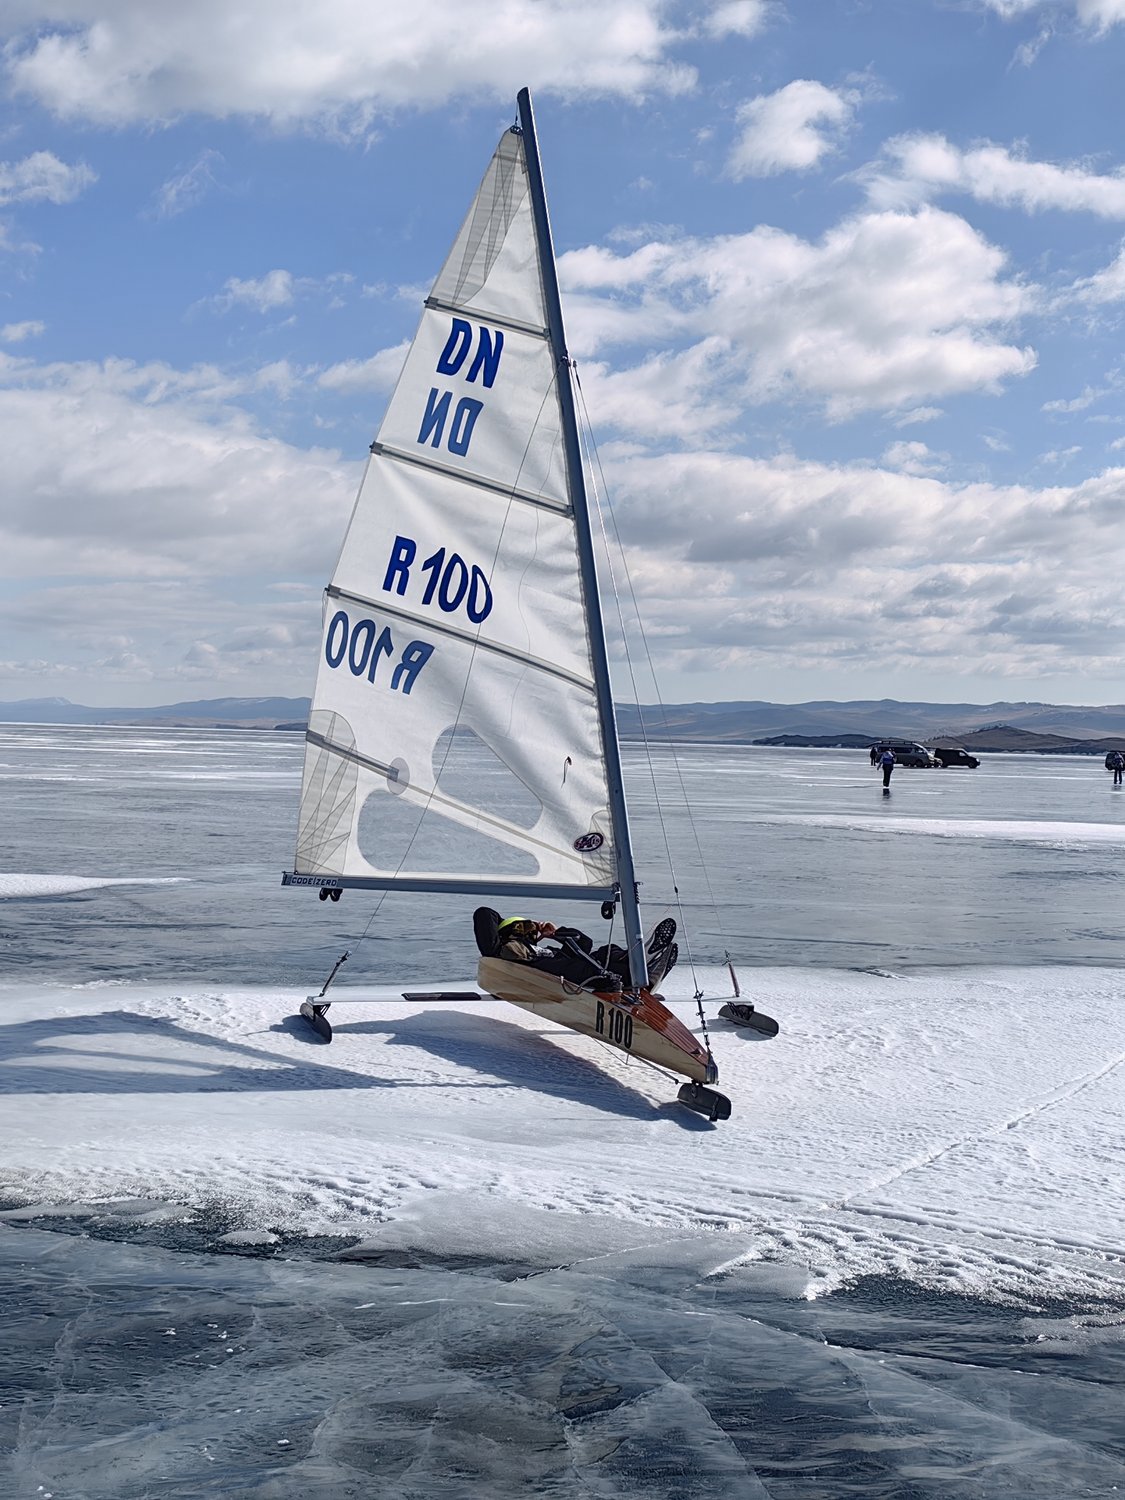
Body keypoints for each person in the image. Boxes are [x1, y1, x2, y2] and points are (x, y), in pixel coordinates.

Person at [496, 915, 678, 992]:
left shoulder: (546, 950)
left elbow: (584, 943)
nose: (530, 930)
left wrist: (556, 933)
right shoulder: (509, 949)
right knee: (601, 967)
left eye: (531, 927)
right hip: (579, 975)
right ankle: (642, 971)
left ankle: (638, 962)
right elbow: (484, 914)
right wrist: (501, 935)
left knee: (607, 951)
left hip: (583, 964)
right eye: (524, 927)